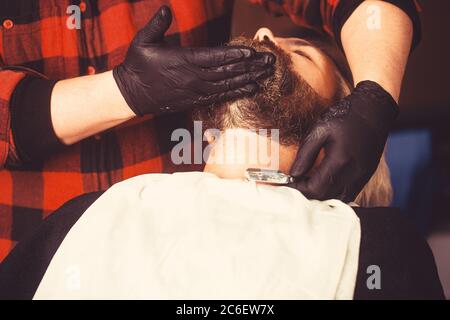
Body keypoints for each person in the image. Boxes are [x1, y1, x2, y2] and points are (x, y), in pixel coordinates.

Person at [0, 31, 443, 300]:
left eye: (302, 52)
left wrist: (377, 97)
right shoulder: (80, 223)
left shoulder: (376, 246)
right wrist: (122, 90)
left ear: (334, 130)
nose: (266, 32)